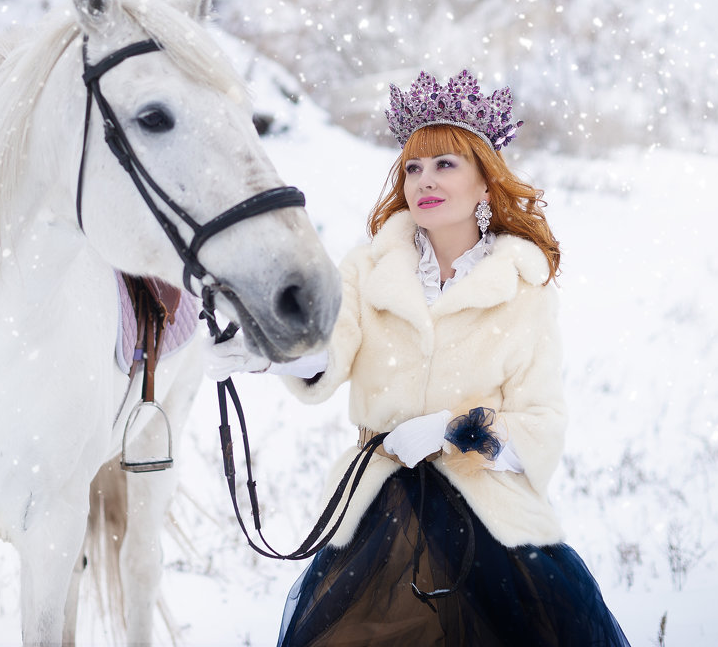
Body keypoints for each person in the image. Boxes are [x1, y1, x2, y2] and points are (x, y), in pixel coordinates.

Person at [209, 69, 630, 646]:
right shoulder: (368, 268)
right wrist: (265, 351)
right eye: (412, 167)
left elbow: (541, 428)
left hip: (492, 527)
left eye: (445, 165)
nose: (423, 181)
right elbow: (326, 355)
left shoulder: (523, 286)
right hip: (381, 520)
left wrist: (451, 432)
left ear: (486, 184)